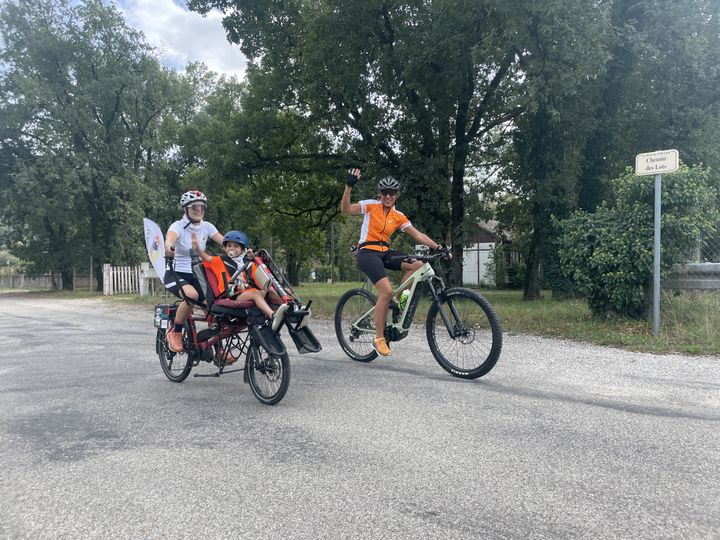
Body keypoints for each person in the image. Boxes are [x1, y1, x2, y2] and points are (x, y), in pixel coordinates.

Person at [340, 168, 450, 357]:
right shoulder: (370, 206)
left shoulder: (398, 216)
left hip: (385, 251)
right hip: (367, 252)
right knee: (386, 290)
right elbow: (346, 209)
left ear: (397, 195)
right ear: (380, 194)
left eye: (392, 193)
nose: (388, 196)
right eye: (384, 193)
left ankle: (399, 301)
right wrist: (349, 186)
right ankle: (379, 338)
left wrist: (439, 247)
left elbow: (417, 235)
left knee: (418, 265)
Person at [164, 190, 224, 353]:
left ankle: (217, 348)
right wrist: (169, 246)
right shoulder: (178, 226)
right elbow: (170, 237)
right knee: (191, 296)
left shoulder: (207, 226)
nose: (199, 210)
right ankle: (175, 333)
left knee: (214, 305)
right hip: (176, 273)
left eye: (202, 207)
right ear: (186, 209)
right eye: (195, 207)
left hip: (197, 274)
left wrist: (241, 248)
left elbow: (224, 241)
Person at [191, 229, 286, 325]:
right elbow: (206, 258)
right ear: (224, 248)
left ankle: (289, 309)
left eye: (236, 246)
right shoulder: (219, 260)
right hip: (231, 294)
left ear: (242, 249)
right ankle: (273, 316)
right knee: (256, 294)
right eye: (229, 246)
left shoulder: (247, 262)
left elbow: (257, 280)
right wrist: (197, 249)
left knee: (269, 288)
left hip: (247, 291)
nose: (232, 248)